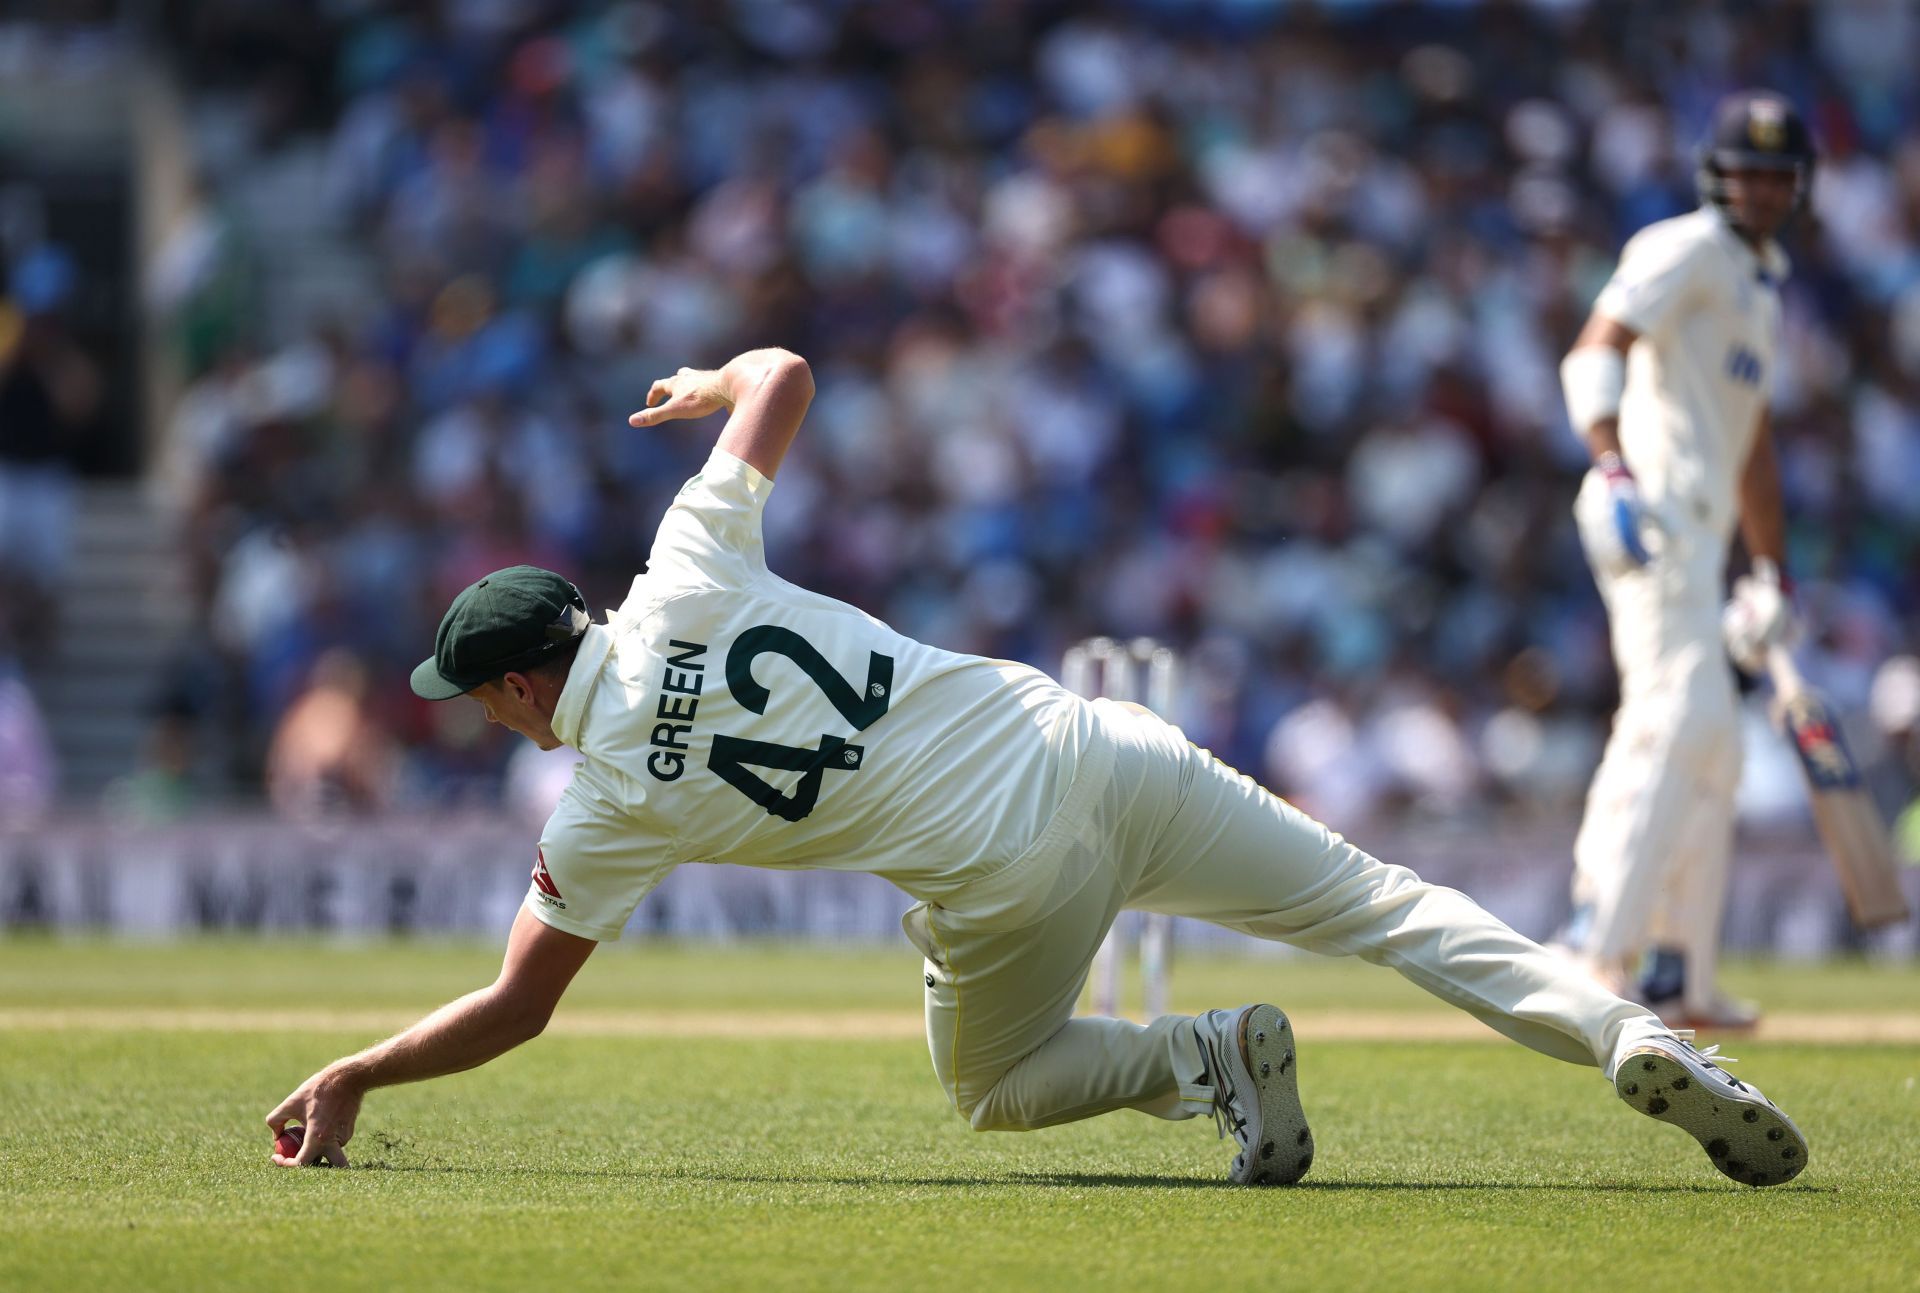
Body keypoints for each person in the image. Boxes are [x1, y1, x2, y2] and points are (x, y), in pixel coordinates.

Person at [268, 347, 1808, 1187]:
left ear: (531, 675)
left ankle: (1201, 1058)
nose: (481, 715)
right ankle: (1630, 1037)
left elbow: (517, 1007)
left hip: (1003, 881)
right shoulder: (682, 563)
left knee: (994, 1089)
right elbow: (788, 372)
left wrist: (358, 1071)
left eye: (482, 695)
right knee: (1387, 906)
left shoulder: (605, 798)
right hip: (1099, 740)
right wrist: (704, 386)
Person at [1556, 92, 1814, 1031]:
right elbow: (1595, 347)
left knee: (1716, 739)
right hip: (1647, 511)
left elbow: (1751, 444)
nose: (1765, 188)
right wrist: (1610, 463)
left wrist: (1770, 572)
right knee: (1680, 713)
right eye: (1750, 171)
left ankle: (1678, 969)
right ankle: (1595, 945)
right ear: (1718, 175)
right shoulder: (1683, 247)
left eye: (1780, 174)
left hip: (1703, 540)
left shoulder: (1760, 287)